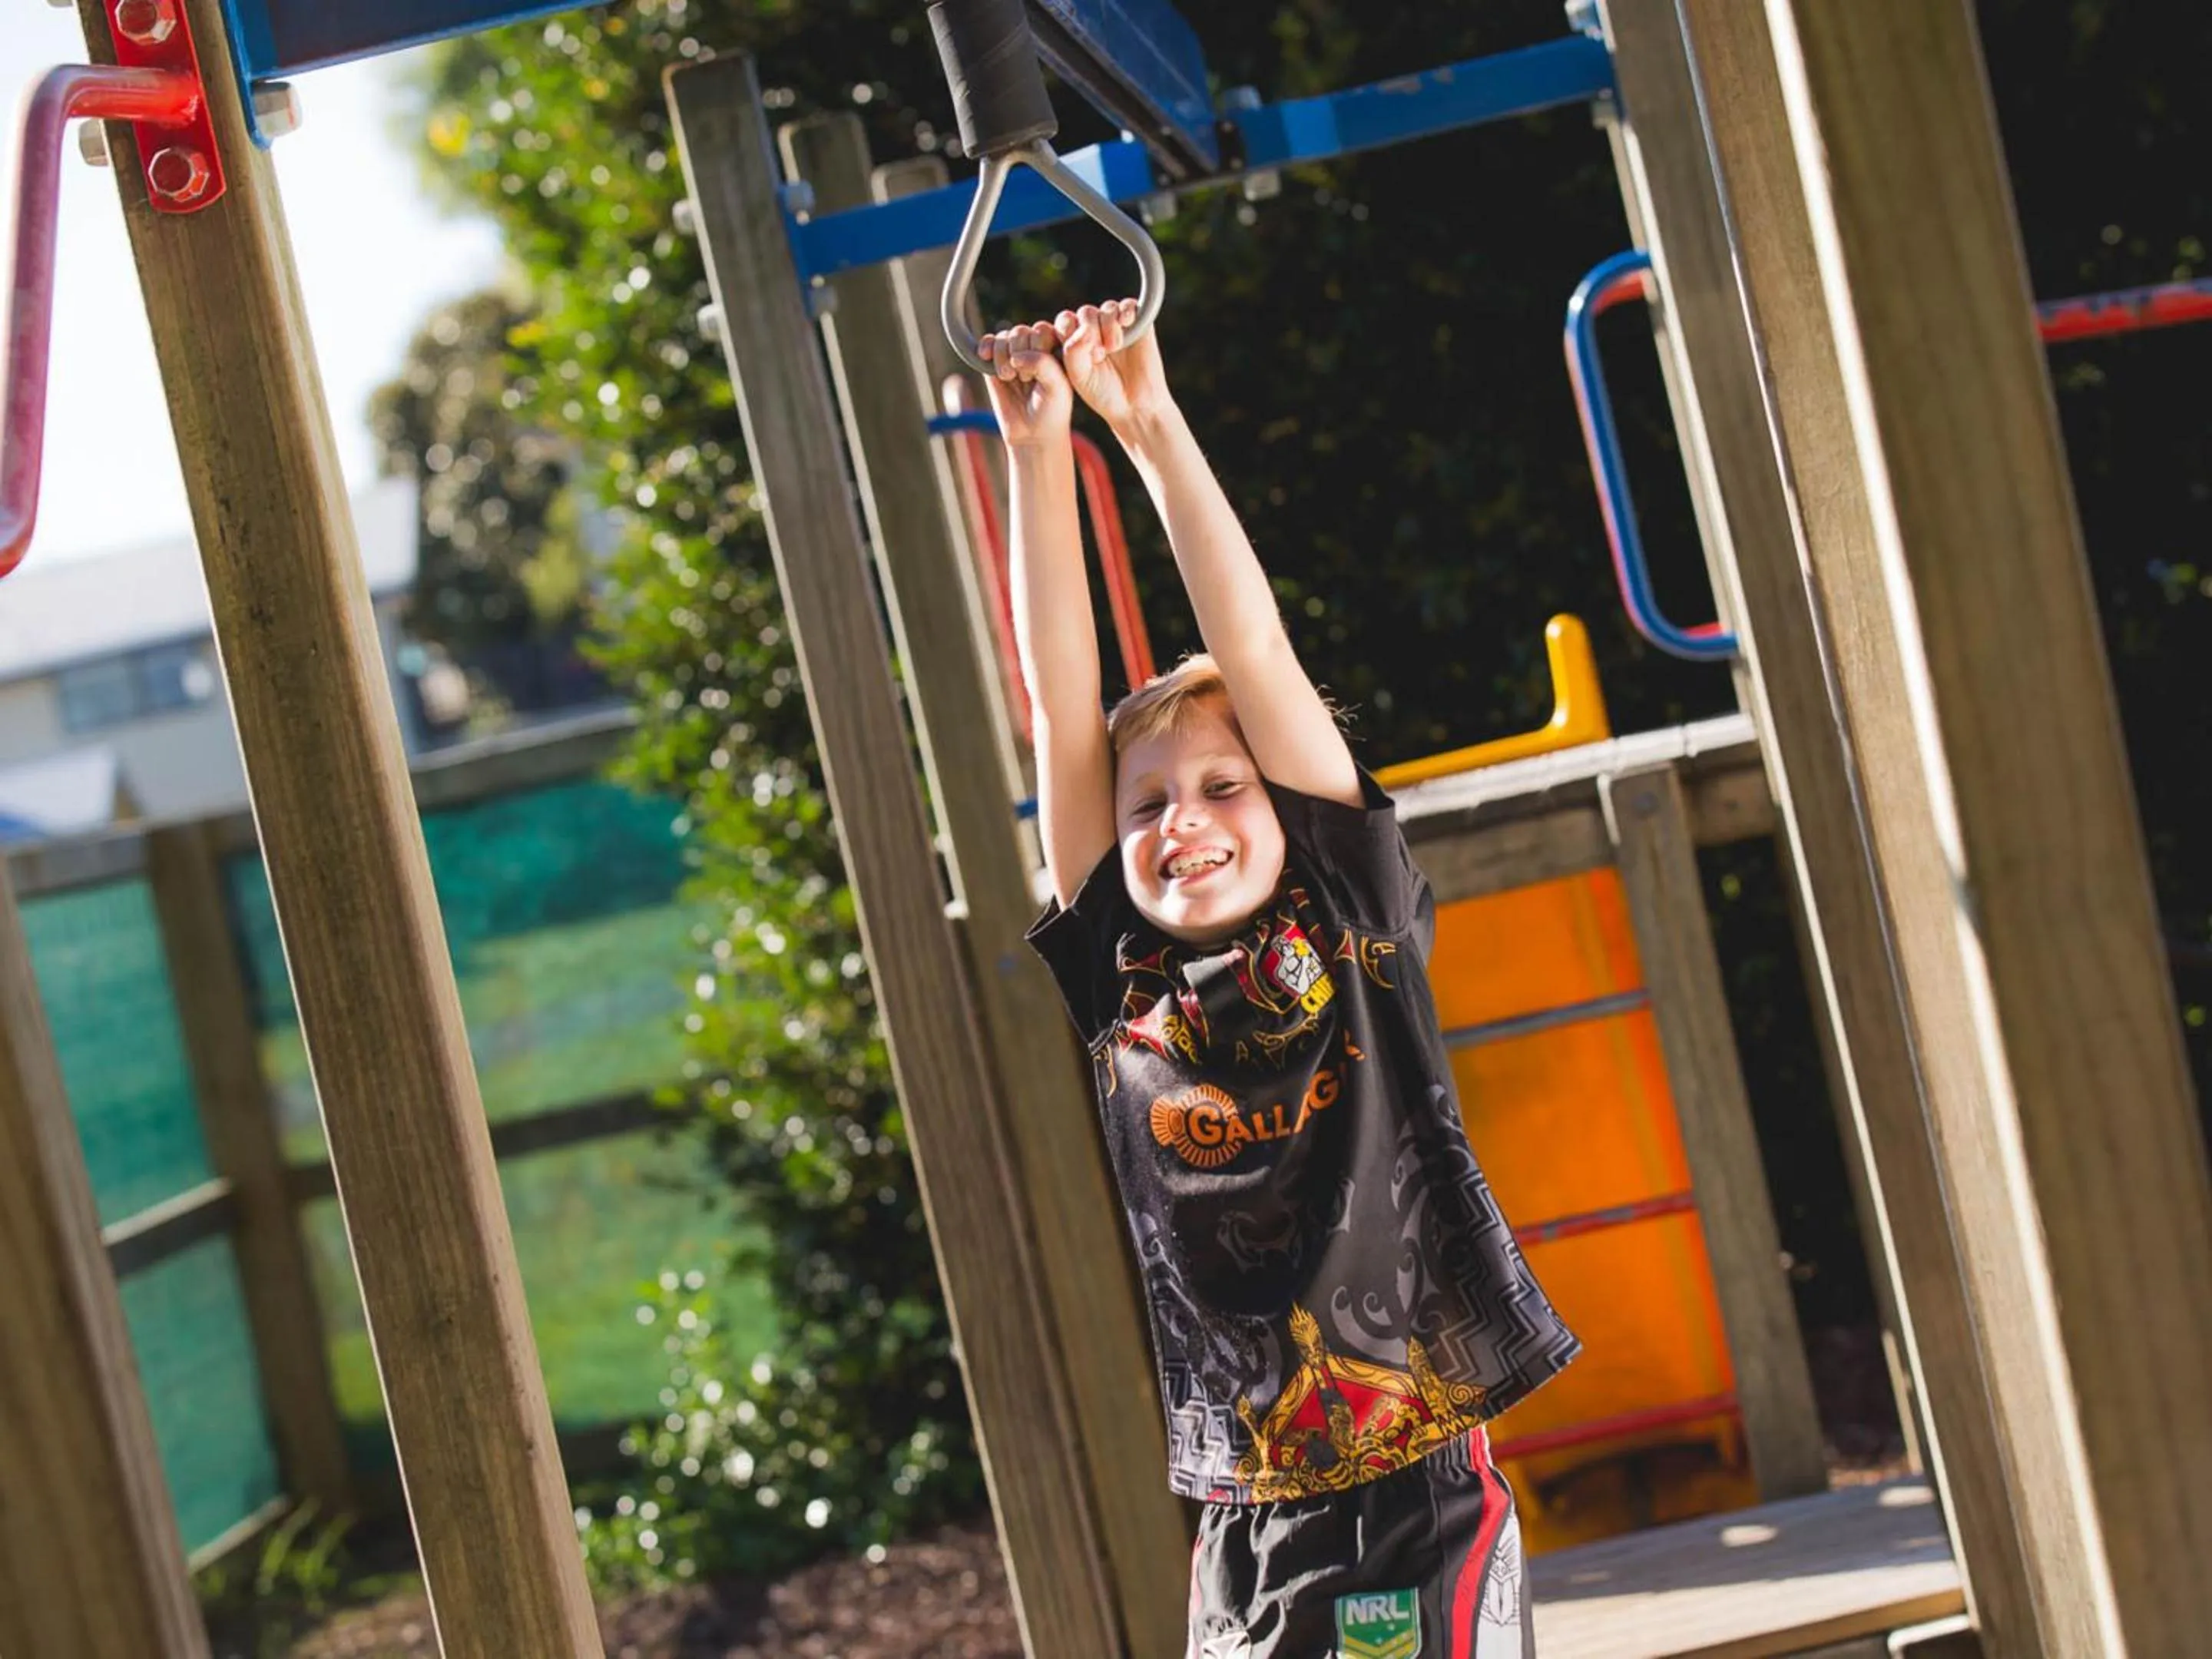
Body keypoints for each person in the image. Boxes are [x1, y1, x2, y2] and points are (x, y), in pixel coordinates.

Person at [981, 300, 1578, 1658]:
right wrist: (1033, 452)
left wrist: (1150, 427)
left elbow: (1254, 650)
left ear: (1281, 799)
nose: (1178, 818)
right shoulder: (1123, 980)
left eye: (1221, 785)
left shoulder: (1348, 918)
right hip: (1240, 1505)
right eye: (1146, 806)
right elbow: (1055, 699)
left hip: (1404, 1478)